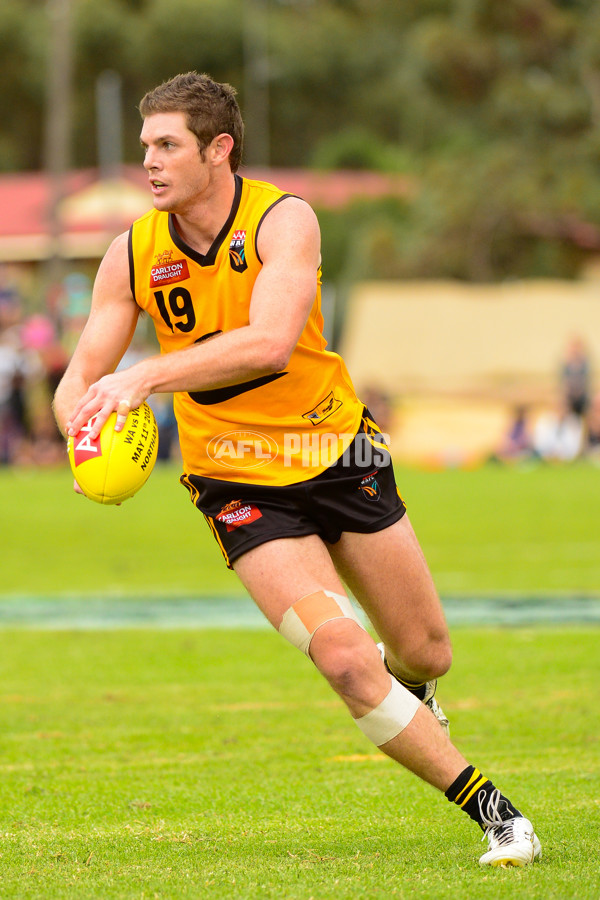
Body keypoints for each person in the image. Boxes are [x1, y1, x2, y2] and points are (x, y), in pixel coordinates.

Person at [53, 72, 541, 867]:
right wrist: (79, 435)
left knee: (424, 652)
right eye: (144, 146)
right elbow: (80, 379)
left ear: (219, 150)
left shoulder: (284, 220)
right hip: (235, 479)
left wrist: (145, 378)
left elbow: (270, 340)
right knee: (345, 658)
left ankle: (412, 692)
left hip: (336, 453)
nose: (149, 162)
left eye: (167, 144)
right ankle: (497, 812)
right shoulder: (132, 250)